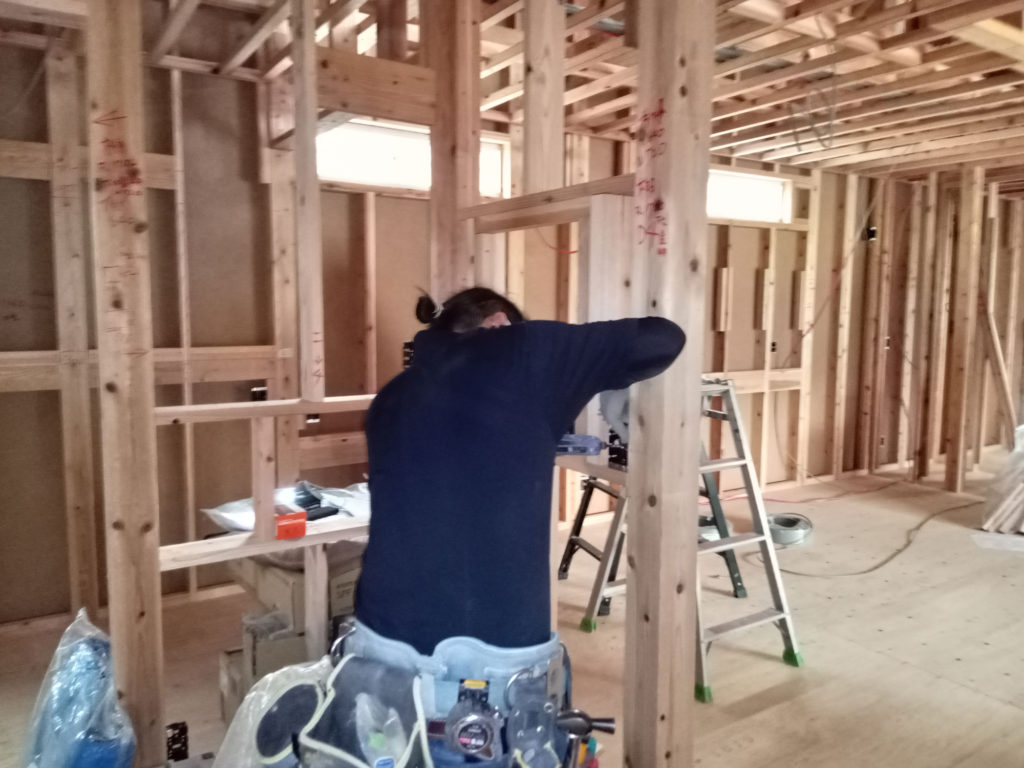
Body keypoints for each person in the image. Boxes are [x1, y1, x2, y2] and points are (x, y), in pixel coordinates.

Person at [349, 287, 684, 764]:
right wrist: (610, 380)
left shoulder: (390, 398)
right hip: (486, 678)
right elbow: (664, 338)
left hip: (377, 655)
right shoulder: (526, 353)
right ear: (501, 324)